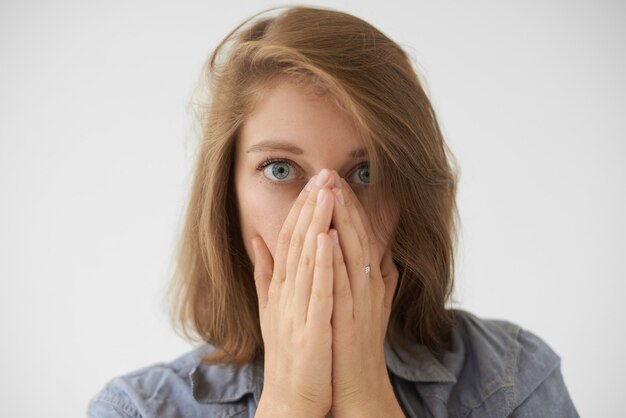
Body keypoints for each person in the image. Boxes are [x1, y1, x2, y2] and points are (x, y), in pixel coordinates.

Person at [88, 6, 579, 417]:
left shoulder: (514, 382)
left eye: (366, 173)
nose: (325, 214)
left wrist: (363, 393)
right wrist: (291, 401)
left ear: (410, 194)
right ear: (226, 196)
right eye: (280, 169)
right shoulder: (136, 409)